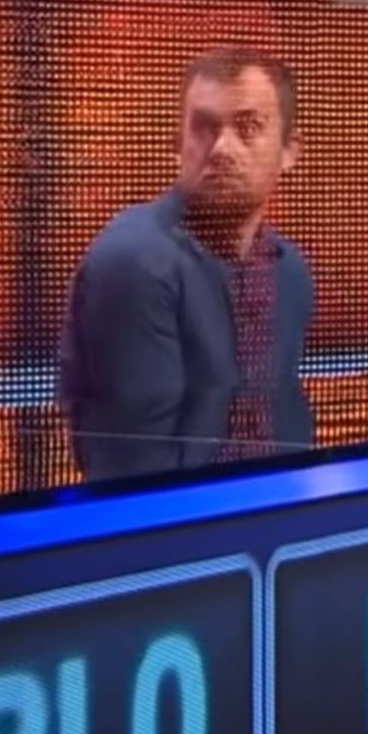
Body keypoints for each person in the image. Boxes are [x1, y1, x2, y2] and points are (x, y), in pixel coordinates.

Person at [59, 47, 314, 448]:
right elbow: (134, 467)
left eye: (248, 127)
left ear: (289, 151)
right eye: (205, 128)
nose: (222, 148)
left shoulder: (290, 273)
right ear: (178, 144)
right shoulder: (133, 262)